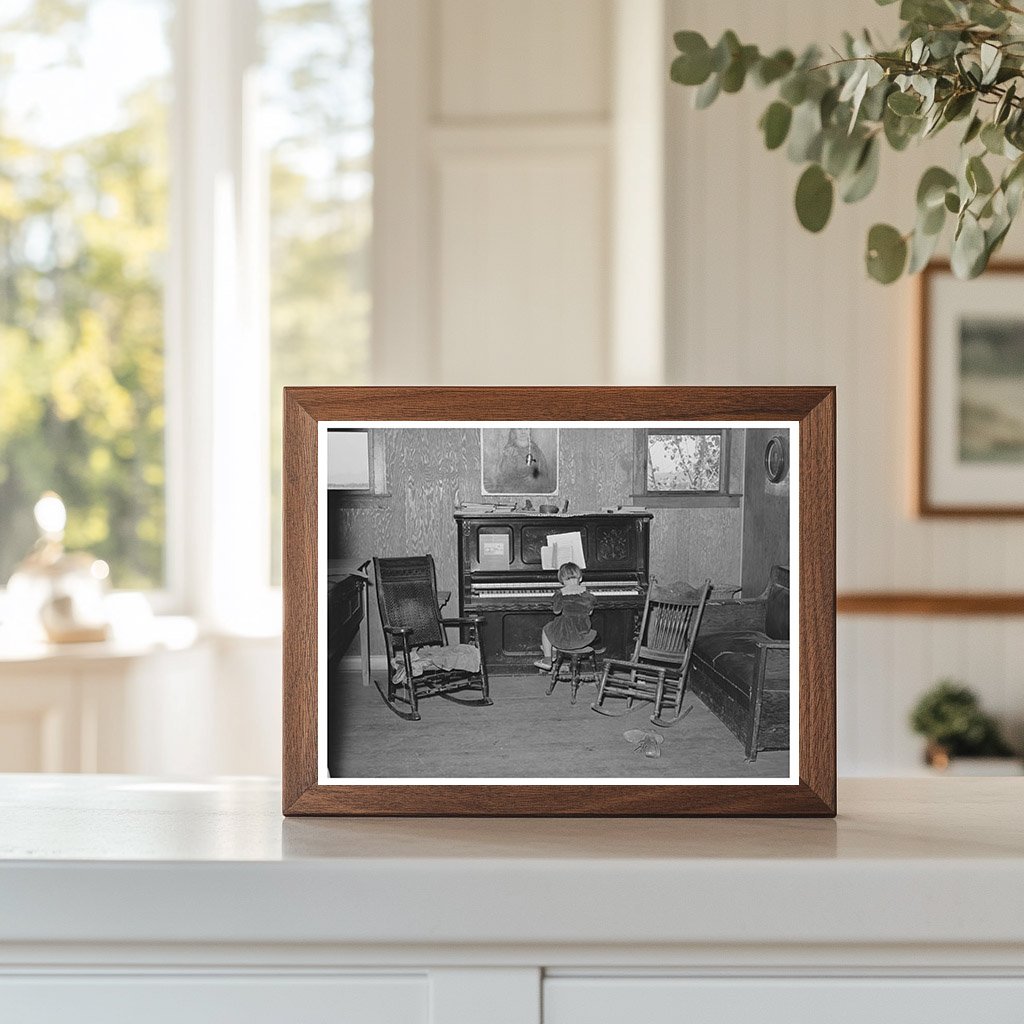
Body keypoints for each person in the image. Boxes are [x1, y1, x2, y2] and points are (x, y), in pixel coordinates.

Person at [534, 561, 597, 671]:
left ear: (562, 581)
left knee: (547, 629)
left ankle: (547, 659)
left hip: (566, 636)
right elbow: (590, 612)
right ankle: (553, 650)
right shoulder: (588, 595)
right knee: (556, 629)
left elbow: (556, 611)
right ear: (580, 578)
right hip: (582, 635)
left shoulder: (561, 593)